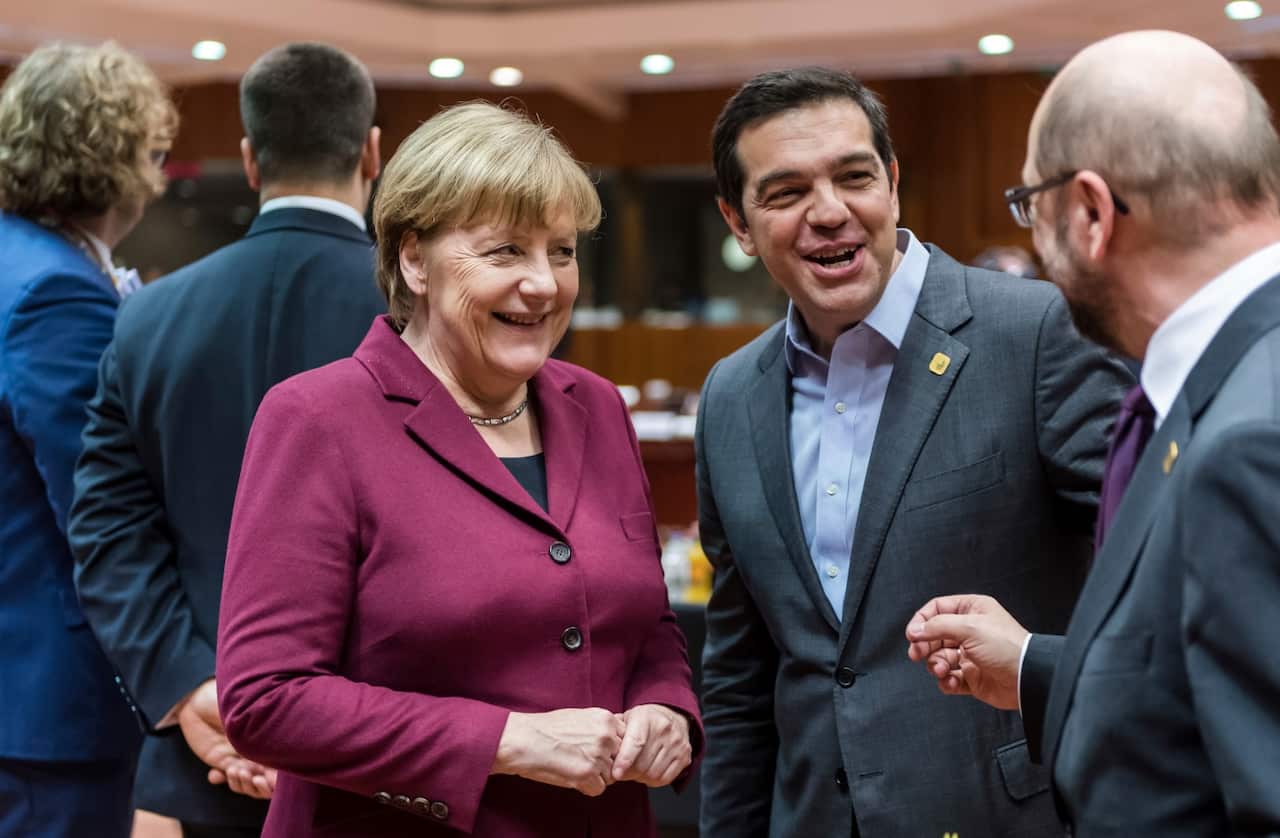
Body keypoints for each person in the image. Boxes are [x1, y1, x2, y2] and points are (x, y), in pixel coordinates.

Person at [215, 101, 702, 838]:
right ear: (414, 259)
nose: (543, 283)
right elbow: (266, 699)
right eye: (505, 251)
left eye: (562, 251)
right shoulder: (318, 419)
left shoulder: (595, 407)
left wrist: (668, 708)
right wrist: (508, 741)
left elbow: (648, 624)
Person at [696, 66, 1133, 837]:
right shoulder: (731, 396)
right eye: (786, 192)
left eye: (854, 177)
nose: (829, 213)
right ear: (738, 221)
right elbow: (740, 674)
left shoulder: (1037, 334)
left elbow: (1152, 579)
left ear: (892, 182)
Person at [906, 30, 1280, 836]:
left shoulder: (1251, 443)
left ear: (1089, 213)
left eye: (1029, 210)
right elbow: (1195, 677)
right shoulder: (1223, 382)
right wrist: (1041, 668)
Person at [67, 42, 385, 838]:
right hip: (386, 753)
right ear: (373, 151)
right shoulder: (420, 316)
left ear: (249, 159)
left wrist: (195, 689)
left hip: (207, 754)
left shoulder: (146, 318)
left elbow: (107, 532)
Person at [0, 41, 175, 838]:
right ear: (115, 162)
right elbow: (99, 503)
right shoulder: (57, 291)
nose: (160, 173)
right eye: (152, 151)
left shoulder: (19, 259)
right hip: (48, 695)